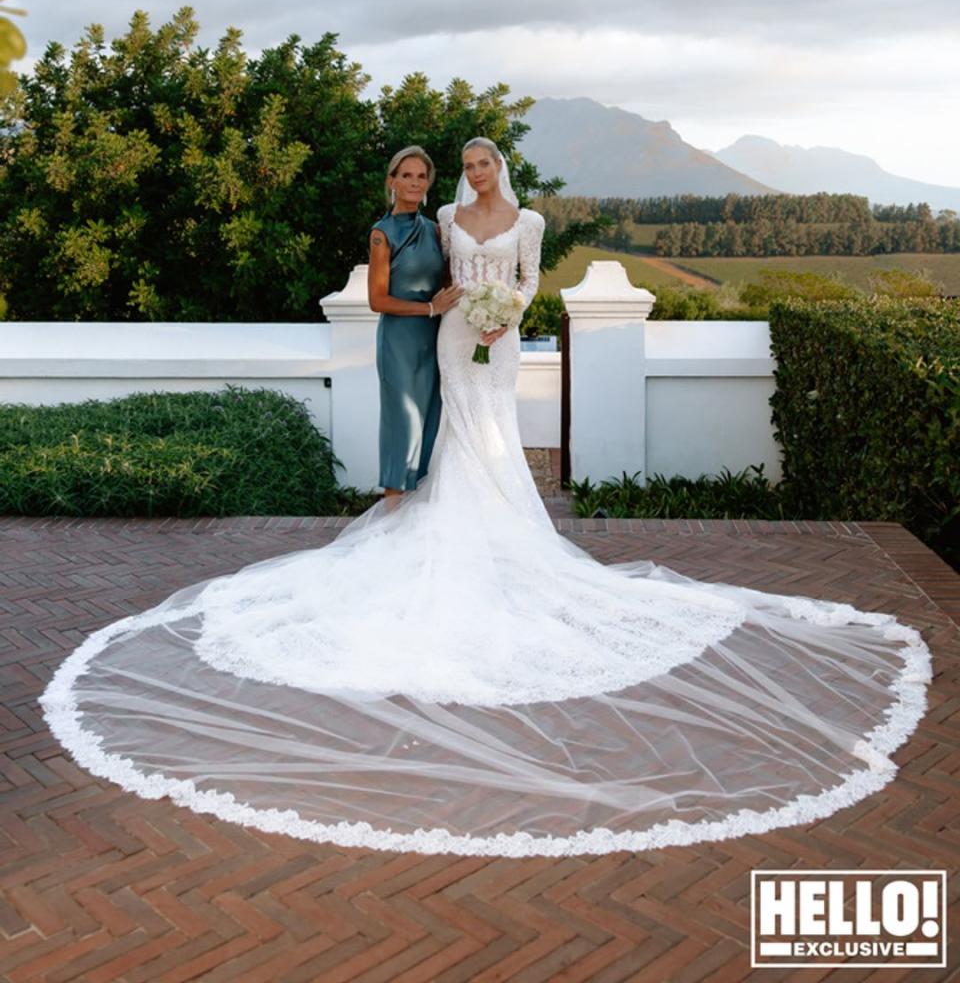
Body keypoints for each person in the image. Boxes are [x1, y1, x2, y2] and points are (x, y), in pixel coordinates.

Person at [40, 140, 932, 860]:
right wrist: (463, 308)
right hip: (449, 335)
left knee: (493, 433)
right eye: (454, 170)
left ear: (497, 168)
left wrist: (508, 310)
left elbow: (531, 276)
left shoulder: (525, 217)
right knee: (456, 434)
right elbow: (432, 282)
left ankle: (507, 530)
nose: (468, 180)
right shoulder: (437, 222)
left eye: (476, 167)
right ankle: (446, 515)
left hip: (496, 340)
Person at [367, 147, 461, 497]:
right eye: (406, 175)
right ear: (392, 180)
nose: (415, 182)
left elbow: (448, 284)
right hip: (399, 342)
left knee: (429, 423)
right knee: (403, 424)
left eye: (422, 176)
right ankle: (392, 516)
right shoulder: (381, 233)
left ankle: (417, 515)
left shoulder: (436, 230)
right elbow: (378, 300)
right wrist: (429, 310)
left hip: (436, 341)